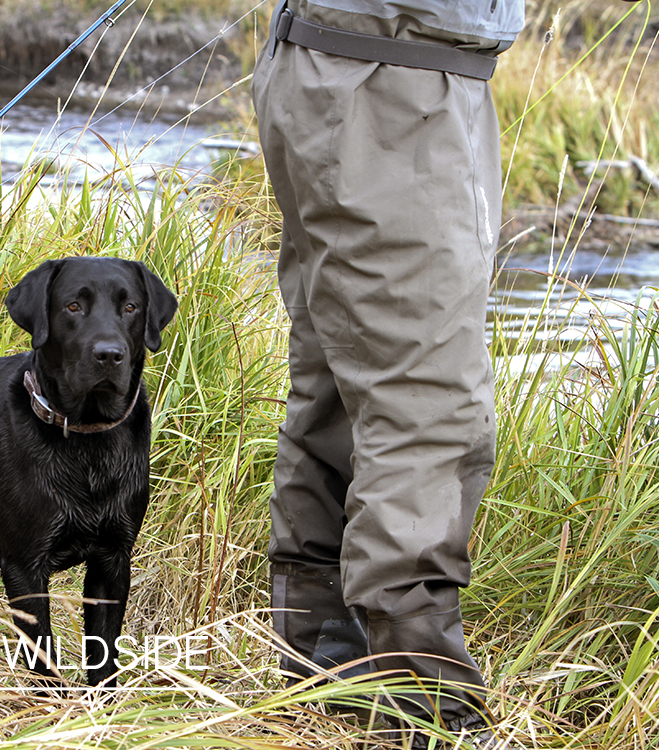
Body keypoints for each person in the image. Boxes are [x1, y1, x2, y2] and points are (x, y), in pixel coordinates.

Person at [251, 1, 523, 746]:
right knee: (423, 404)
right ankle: (422, 706)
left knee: (338, 386)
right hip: (391, 87)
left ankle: (321, 672)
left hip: (348, 64)